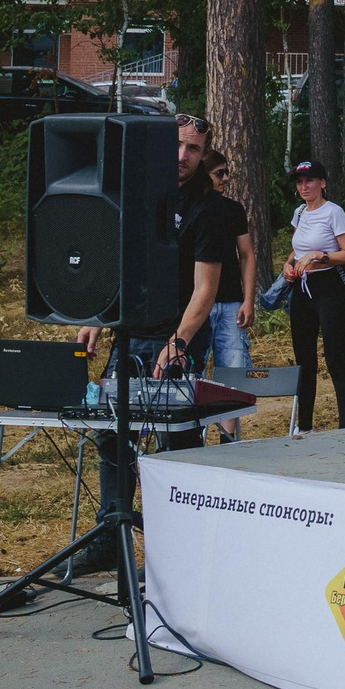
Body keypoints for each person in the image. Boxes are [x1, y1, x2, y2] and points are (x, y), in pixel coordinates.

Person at [71, 119, 235, 568]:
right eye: (177, 145)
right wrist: (98, 319)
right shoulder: (136, 196)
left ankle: (182, 544)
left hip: (179, 336)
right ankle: (111, 534)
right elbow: (118, 267)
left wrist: (179, 341)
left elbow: (205, 290)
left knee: (176, 435)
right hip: (131, 333)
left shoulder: (209, 209)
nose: (183, 156)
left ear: (204, 154)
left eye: (194, 149)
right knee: (111, 431)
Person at [282, 158, 345, 435]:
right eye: (300, 182)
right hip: (302, 288)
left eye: (310, 181)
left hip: (327, 287)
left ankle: (344, 427)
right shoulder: (300, 213)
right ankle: (305, 426)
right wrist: (288, 264)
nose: (304, 187)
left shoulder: (333, 212)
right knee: (304, 360)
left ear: (322, 183)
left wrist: (320, 256)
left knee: (335, 358)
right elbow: (298, 246)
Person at [203, 156, 259, 441]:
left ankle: (228, 440)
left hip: (231, 303)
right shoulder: (187, 206)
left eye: (227, 173)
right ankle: (191, 436)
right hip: (196, 306)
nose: (226, 178)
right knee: (191, 373)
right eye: (219, 173)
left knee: (233, 371)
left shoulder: (233, 209)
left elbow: (246, 255)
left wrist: (248, 299)